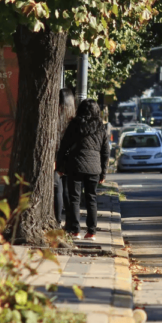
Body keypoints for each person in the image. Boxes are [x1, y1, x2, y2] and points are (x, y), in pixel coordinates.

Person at [57, 99, 110, 241]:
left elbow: (64, 146)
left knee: (75, 198)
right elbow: (105, 152)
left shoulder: (74, 125)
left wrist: (60, 166)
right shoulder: (101, 127)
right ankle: (91, 232)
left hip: (75, 165)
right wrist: (103, 172)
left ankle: (75, 231)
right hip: (94, 168)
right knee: (91, 198)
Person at [54, 89, 76, 228]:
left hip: (55, 158)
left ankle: (56, 221)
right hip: (71, 160)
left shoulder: (54, 120)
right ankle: (70, 223)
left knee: (58, 190)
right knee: (69, 191)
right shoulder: (74, 120)